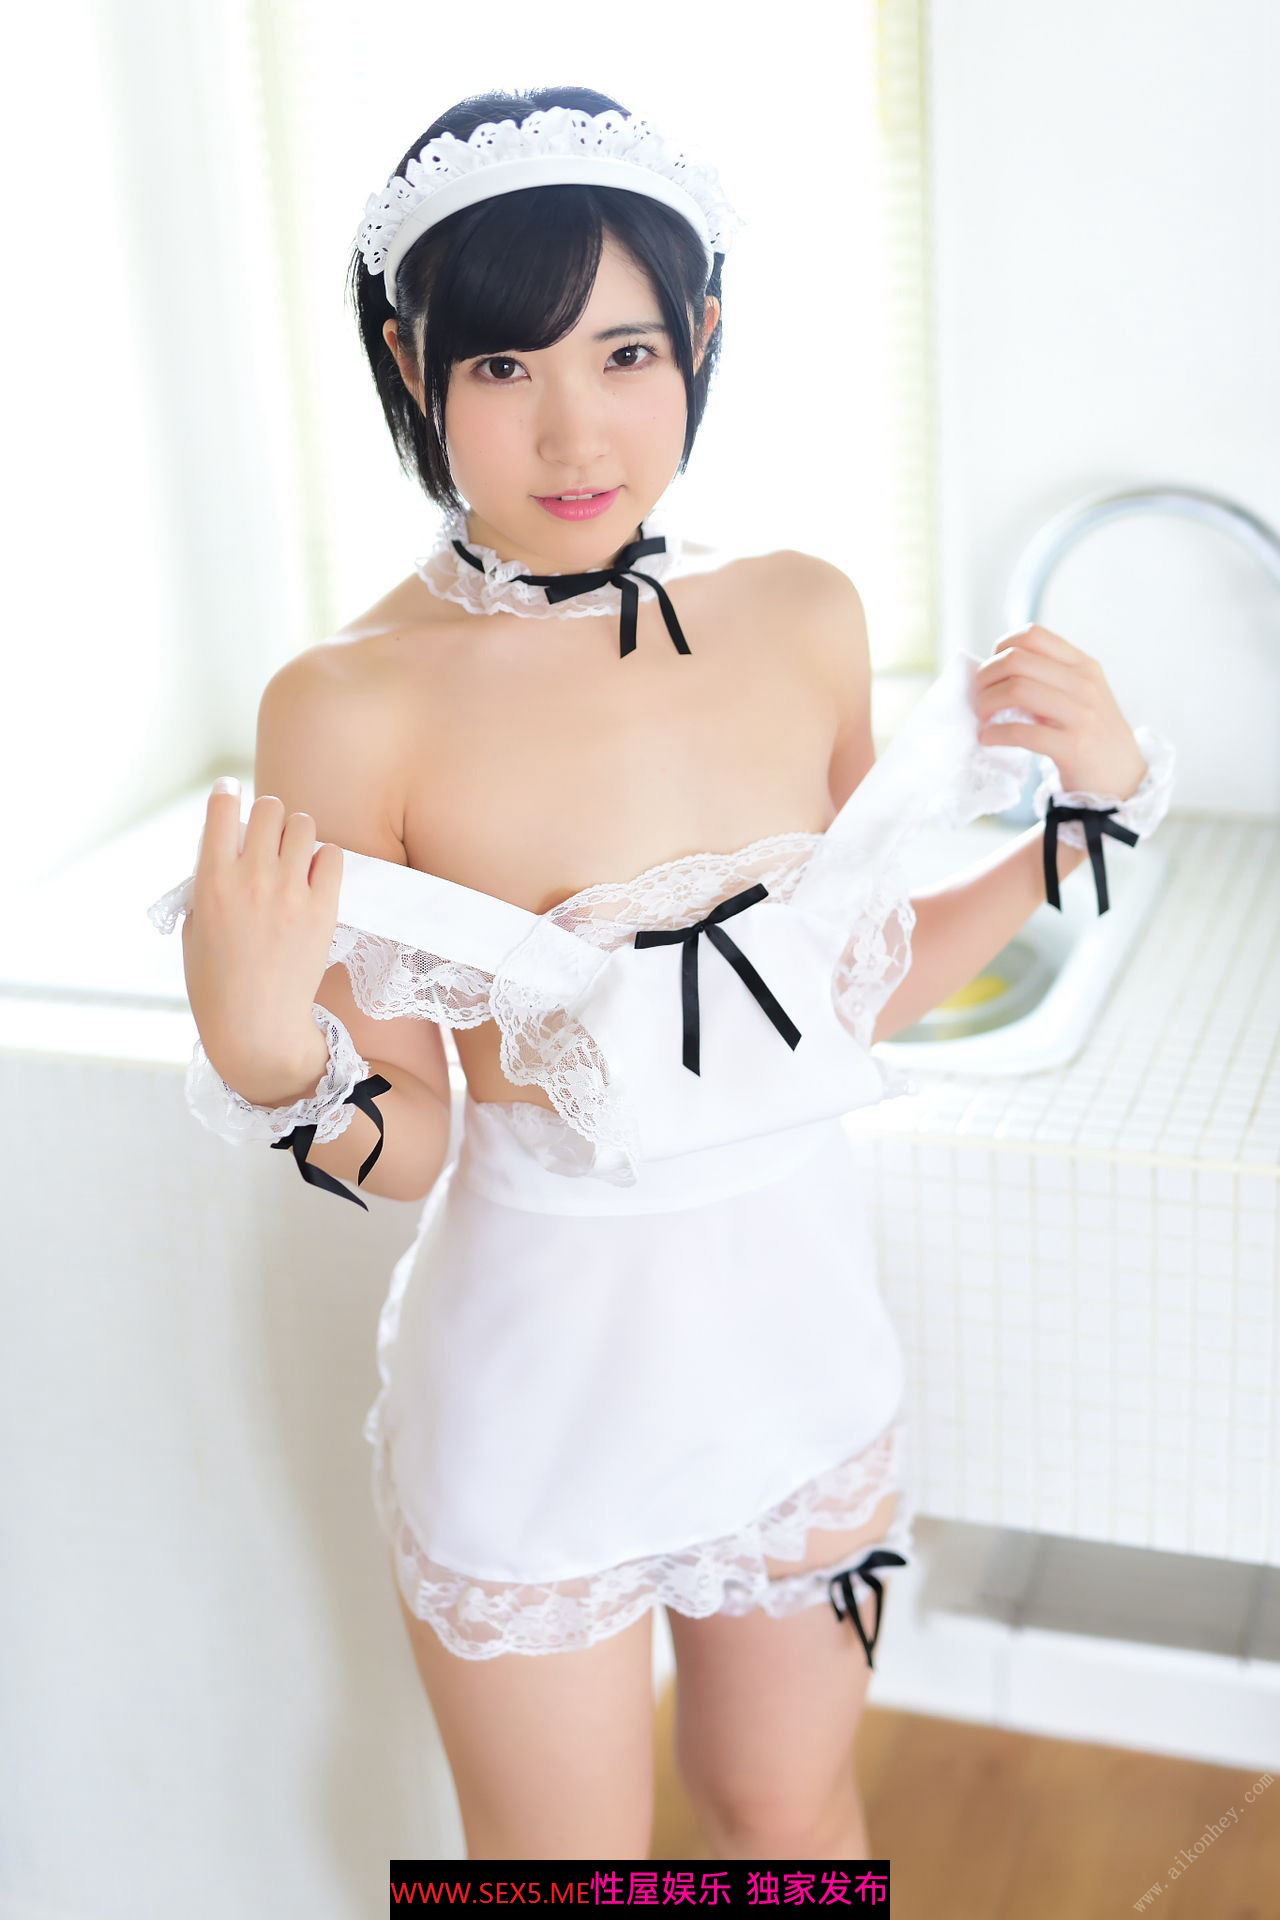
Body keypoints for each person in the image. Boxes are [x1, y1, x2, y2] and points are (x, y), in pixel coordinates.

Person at [148, 84, 1175, 1862]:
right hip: (538, 1391)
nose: (575, 429)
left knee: (793, 1815)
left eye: (626, 352)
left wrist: (1093, 817)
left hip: (803, 1353)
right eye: (504, 366)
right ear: (409, 363)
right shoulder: (348, 702)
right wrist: (265, 1057)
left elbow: (837, 998)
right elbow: (408, 1144)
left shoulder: (805, 612)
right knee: (557, 1877)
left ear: (701, 334)